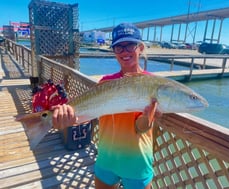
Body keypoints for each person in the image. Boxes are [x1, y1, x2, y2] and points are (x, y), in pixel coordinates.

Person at [52, 23, 159, 189]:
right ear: (114, 52)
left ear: (141, 47)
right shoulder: (106, 82)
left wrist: (148, 116)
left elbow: (141, 127)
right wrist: (68, 117)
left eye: (130, 45)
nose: (125, 51)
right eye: (119, 47)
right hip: (106, 159)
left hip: (137, 162)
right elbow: (87, 114)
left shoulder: (152, 84)